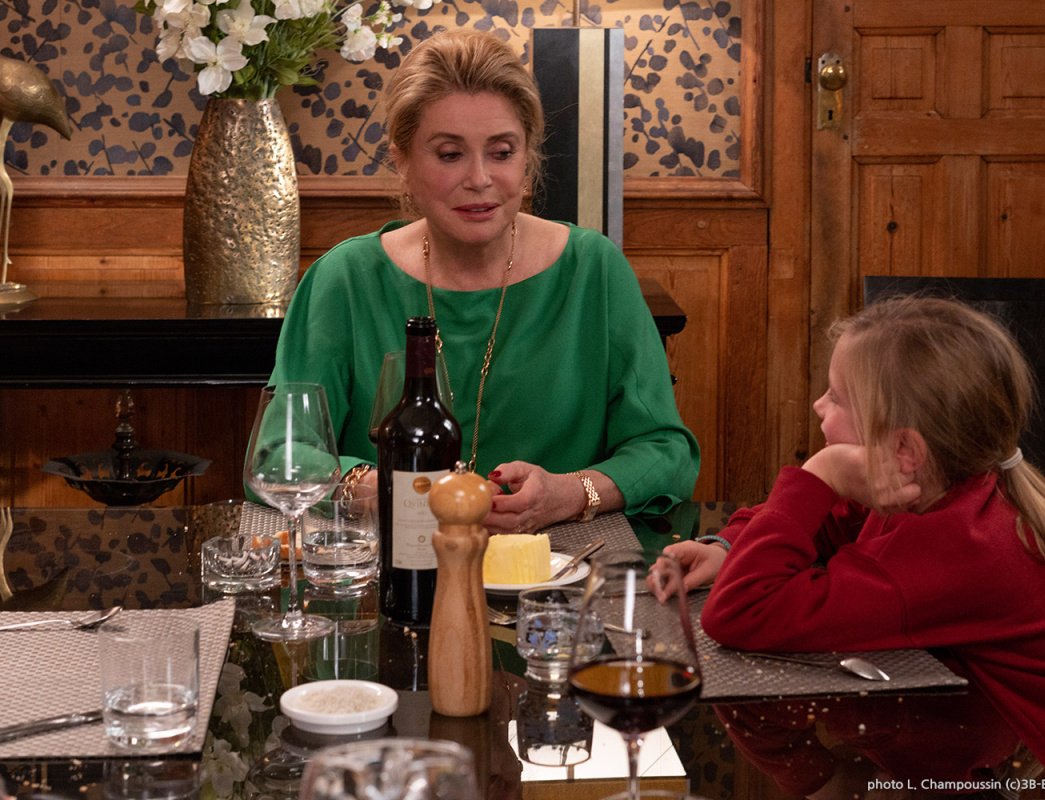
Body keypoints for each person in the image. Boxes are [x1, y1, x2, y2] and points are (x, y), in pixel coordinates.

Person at [266, 29, 699, 532]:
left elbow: (665, 453)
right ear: (403, 160)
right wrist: (388, 489)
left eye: (501, 152)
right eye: (450, 154)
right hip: (391, 564)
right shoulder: (344, 278)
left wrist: (570, 493)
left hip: (559, 567)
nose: (479, 179)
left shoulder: (594, 270)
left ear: (527, 157)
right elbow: (281, 455)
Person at [660, 295, 1045, 759]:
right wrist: (728, 547)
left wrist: (823, 473)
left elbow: (740, 613)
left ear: (905, 450)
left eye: (837, 398)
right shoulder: (949, 488)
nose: (818, 405)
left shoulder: (953, 550)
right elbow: (829, 521)